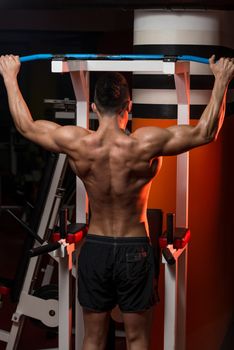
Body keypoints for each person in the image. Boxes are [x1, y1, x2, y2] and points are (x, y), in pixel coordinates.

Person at [0, 54, 233, 350]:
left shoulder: (77, 142)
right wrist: (222, 80)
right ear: (129, 106)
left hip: (95, 249)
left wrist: (9, 76)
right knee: (137, 339)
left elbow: (26, 127)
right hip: (134, 249)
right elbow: (205, 132)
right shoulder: (144, 144)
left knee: (93, 339)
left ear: (95, 107)